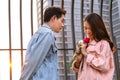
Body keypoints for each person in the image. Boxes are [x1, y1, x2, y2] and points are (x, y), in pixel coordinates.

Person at [20, 6, 66, 80]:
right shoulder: (47, 34)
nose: (63, 25)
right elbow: (33, 61)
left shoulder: (41, 33)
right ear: (53, 18)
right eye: (62, 21)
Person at [72, 13, 115, 80]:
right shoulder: (86, 44)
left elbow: (103, 65)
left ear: (97, 28)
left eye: (91, 28)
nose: (88, 31)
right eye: (85, 28)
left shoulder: (104, 44)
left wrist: (86, 54)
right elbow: (78, 69)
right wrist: (79, 59)